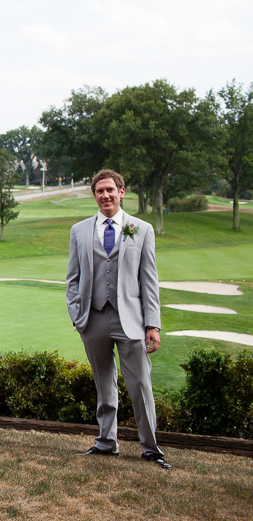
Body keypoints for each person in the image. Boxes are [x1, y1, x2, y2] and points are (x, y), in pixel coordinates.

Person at [66, 169, 170, 468]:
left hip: (131, 321)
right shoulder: (80, 230)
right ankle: (106, 442)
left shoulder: (141, 229)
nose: (105, 195)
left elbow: (149, 280)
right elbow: (73, 278)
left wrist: (153, 324)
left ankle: (150, 448)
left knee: (140, 385)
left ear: (121, 191)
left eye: (110, 190)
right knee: (104, 384)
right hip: (93, 319)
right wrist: (77, 314)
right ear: (94, 195)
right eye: (99, 191)